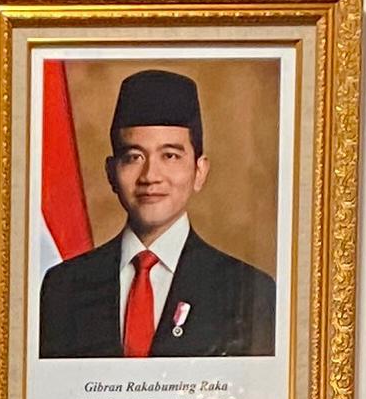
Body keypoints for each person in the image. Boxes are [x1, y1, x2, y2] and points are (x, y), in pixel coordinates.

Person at [35, 69, 277, 360]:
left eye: (170, 156)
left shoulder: (245, 292)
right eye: (134, 157)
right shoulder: (64, 287)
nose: (150, 176)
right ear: (111, 173)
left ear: (199, 172)